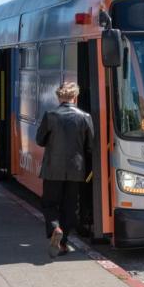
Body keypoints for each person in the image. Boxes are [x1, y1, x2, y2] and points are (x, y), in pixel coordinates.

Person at [35, 82, 94, 258]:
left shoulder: (50, 115)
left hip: (53, 168)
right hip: (76, 169)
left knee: (50, 203)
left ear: (59, 97)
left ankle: (55, 228)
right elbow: (91, 146)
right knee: (70, 206)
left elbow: (40, 140)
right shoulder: (85, 117)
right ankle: (63, 242)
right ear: (75, 97)